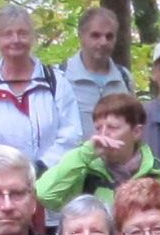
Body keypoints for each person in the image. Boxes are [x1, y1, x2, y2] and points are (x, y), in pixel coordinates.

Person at [0, 3, 68, 165]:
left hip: (51, 175)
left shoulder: (55, 81)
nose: (16, 40)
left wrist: (42, 167)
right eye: (8, 34)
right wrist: (5, 169)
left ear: (32, 38)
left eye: (22, 33)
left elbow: (70, 133)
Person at [36, 90, 160, 211]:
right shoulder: (85, 170)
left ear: (136, 132)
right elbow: (44, 194)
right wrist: (84, 154)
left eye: (112, 127)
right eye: (98, 128)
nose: (103, 135)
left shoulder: (156, 174)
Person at [55, 8, 137, 148]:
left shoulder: (124, 78)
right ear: (81, 36)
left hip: (116, 159)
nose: (103, 42)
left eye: (109, 36)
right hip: (74, 159)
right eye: (95, 35)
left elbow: (132, 124)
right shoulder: (60, 76)